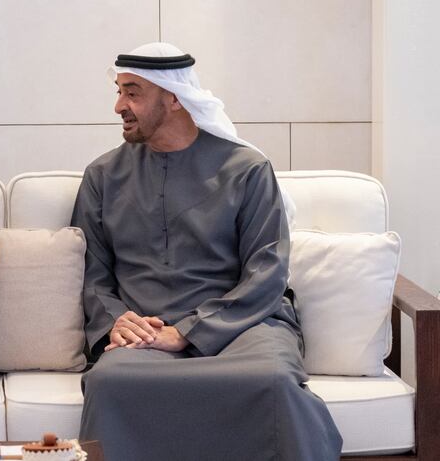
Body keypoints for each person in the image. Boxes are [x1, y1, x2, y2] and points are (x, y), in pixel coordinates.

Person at [71, 43, 342, 460]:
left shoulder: (246, 169)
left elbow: (267, 271)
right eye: (119, 91)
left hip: (242, 325)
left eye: (132, 92)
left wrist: (186, 333)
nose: (118, 105)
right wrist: (117, 321)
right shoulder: (103, 175)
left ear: (174, 97)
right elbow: (93, 274)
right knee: (110, 382)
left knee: (272, 379)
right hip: (145, 327)